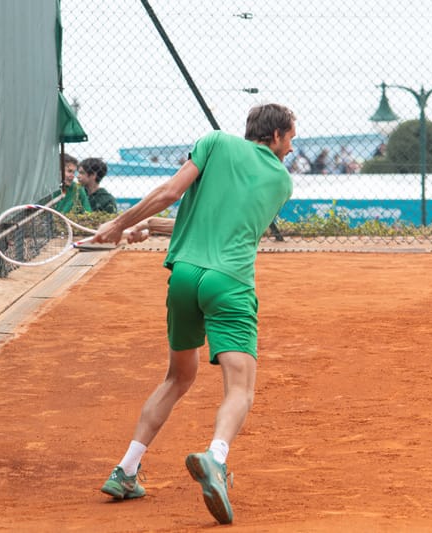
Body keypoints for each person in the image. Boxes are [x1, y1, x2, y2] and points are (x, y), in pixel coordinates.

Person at [93, 103, 296, 525]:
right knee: (240, 388)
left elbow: (175, 198)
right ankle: (216, 458)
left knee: (178, 377)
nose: (292, 148)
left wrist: (127, 225)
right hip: (230, 285)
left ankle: (127, 469)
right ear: (275, 136)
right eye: (291, 138)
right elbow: (228, 227)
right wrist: (127, 226)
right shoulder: (280, 181)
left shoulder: (214, 141)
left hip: (184, 277)